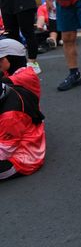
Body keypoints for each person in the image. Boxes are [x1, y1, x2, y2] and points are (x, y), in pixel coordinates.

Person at [0, 38, 45, 180]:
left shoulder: (24, 76)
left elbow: (4, 151)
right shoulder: (12, 76)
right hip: (23, 118)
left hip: (23, 157)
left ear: (10, 58)